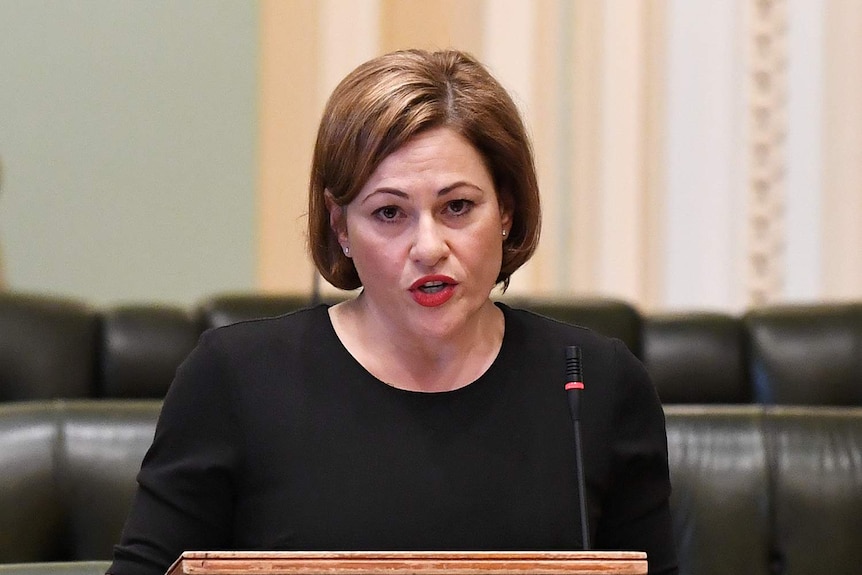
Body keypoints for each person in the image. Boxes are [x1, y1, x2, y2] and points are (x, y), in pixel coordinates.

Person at [108, 49, 678, 575]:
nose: (428, 247)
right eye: (388, 213)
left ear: (505, 210)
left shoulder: (597, 386)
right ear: (341, 227)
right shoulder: (233, 379)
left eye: (457, 207)